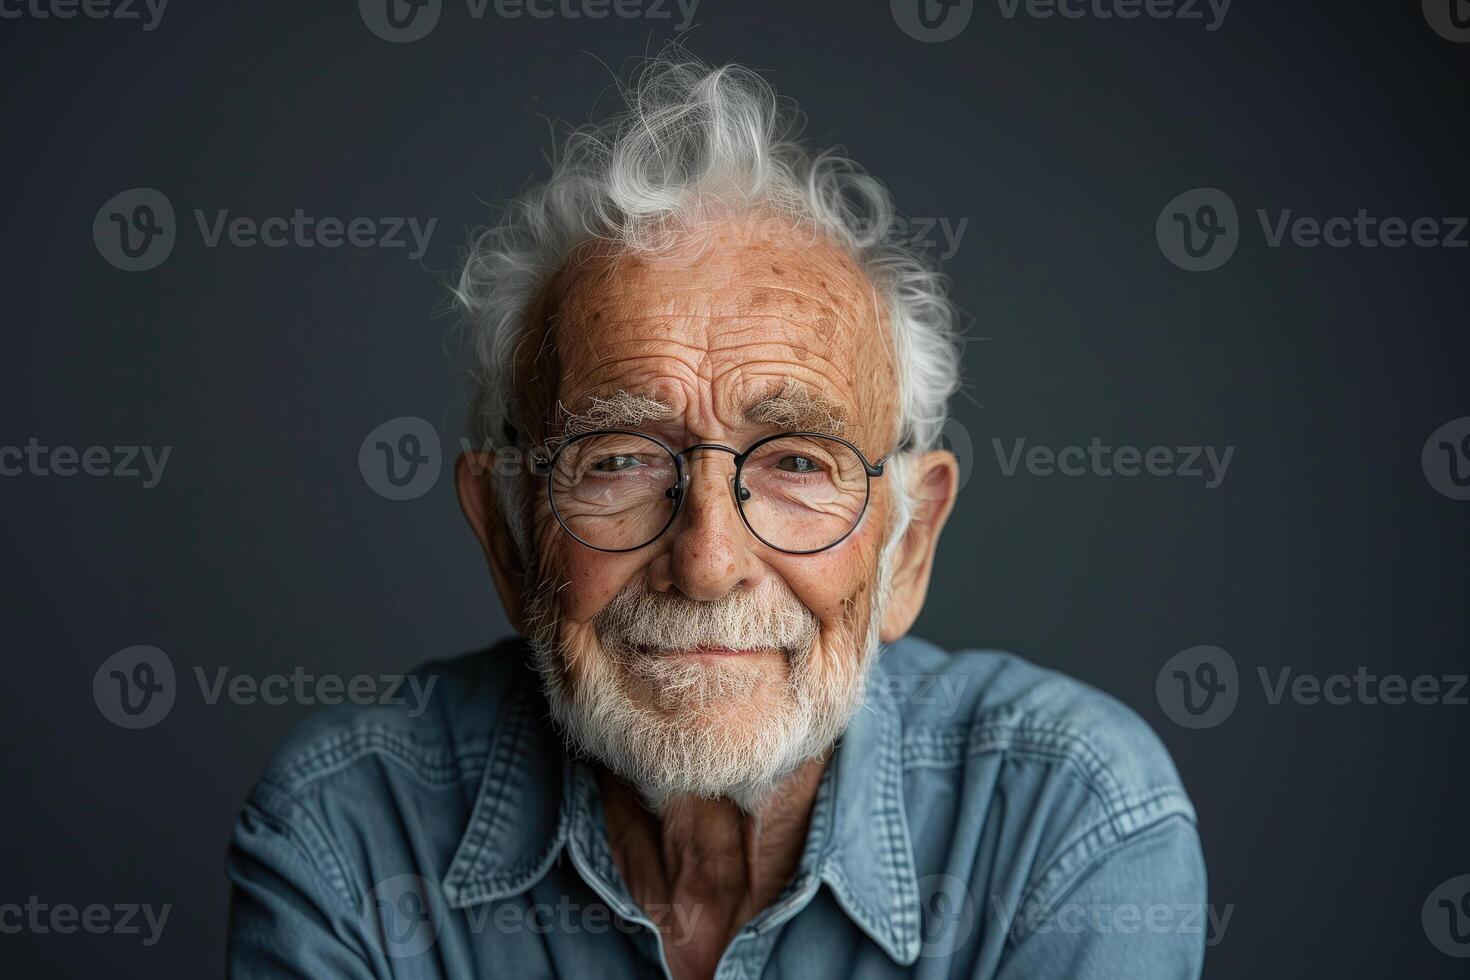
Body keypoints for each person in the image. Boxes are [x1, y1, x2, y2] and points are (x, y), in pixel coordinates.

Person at [226, 50, 1207, 980]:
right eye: (617, 459)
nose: (706, 561)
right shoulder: (346, 828)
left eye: (795, 462)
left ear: (907, 545)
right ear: (510, 536)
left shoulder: (1070, 814)